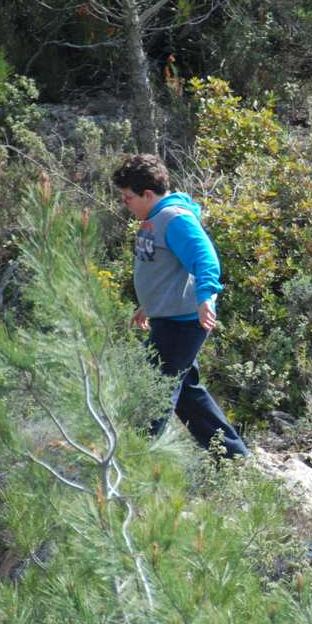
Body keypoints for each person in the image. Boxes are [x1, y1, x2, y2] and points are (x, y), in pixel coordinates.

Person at [113, 154, 248, 459]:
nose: (126, 204)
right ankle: (234, 458)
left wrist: (205, 298)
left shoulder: (174, 219)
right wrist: (147, 305)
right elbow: (163, 269)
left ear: (148, 194)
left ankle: (134, 460)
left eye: (128, 198)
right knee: (187, 395)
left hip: (182, 323)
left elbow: (206, 260)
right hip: (167, 317)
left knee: (156, 389)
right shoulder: (155, 217)